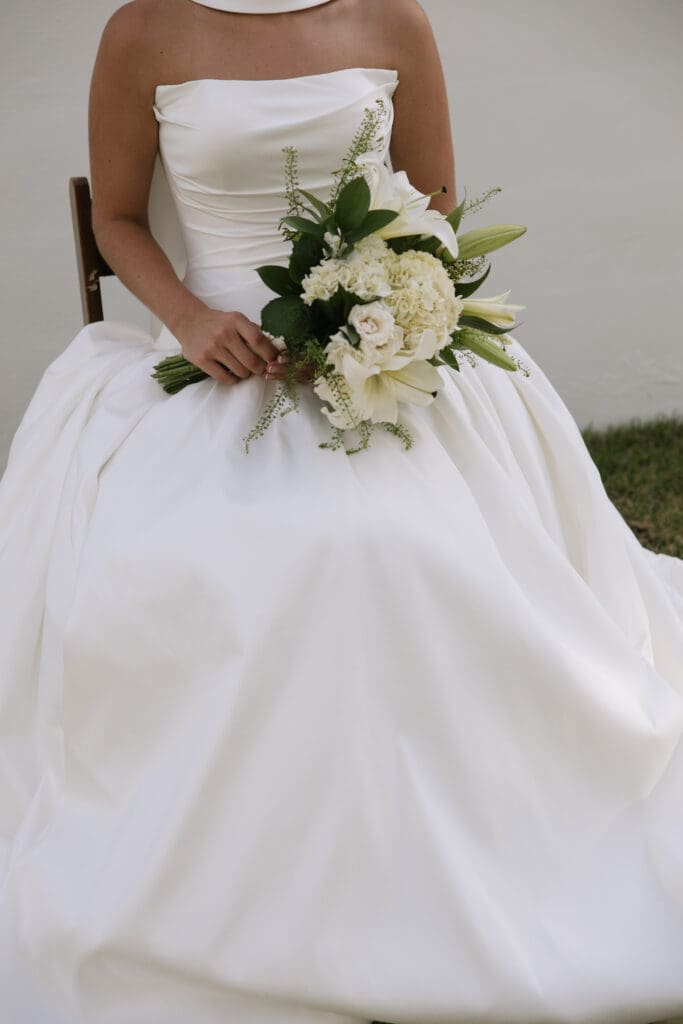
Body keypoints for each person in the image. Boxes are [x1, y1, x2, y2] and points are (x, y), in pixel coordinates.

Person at [1, 1, 682, 1021]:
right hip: (219, 360)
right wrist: (188, 319)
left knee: (399, 545)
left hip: (378, 351)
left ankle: (444, 847)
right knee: (245, 559)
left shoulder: (390, 18)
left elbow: (438, 196)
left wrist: (386, 309)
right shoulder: (143, 29)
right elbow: (117, 216)